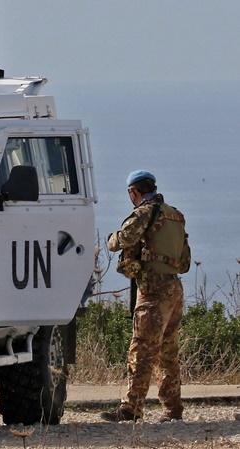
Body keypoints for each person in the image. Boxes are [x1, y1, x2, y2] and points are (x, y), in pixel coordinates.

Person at [100, 170, 189, 423]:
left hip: (152, 290)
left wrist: (111, 240)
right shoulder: (175, 215)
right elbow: (184, 263)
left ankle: (131, 409)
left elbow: (126, 238)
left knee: (141, 350)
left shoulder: (143, 212)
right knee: (167, 352)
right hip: (174, 287)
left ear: (134, 192)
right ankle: (173, 410)